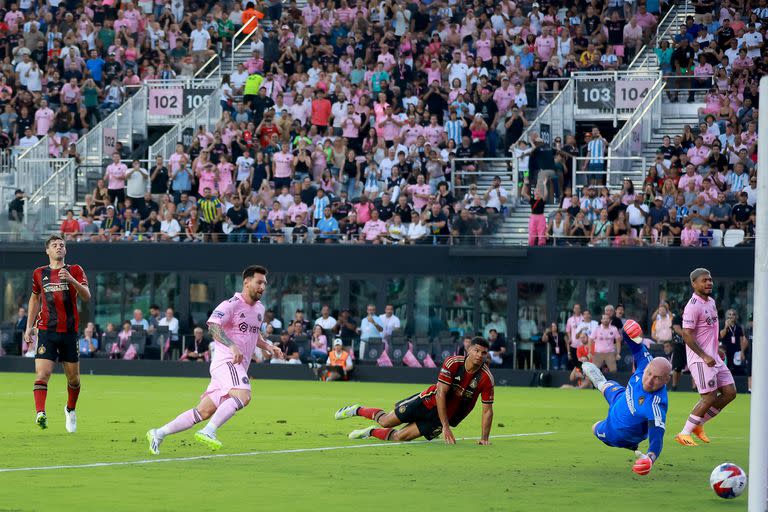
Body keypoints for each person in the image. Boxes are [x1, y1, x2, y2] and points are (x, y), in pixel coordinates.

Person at [146, 266, 284, 454]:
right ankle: (209, 431)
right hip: (226, 362)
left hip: (235, 366)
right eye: (259, 282)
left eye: (265, 284)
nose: (263, 287)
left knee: (203, 411)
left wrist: (268, 346)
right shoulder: (231, 304)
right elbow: (213, 326)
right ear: (246, 282)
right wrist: (232, 345)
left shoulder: (259, 308)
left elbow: (253, 334)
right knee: (244, 395)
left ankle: (158, 433)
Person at [335, 337, 494, 444]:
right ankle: (357, 409)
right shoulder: (453, 363)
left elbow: (487, 410)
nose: (479, 355)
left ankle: (369, 432)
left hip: (440, 418)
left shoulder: (486, 378)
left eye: (484, 353)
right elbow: (441, 394)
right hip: (427, 402)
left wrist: (484, 439)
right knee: (386, 421)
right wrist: (445, 427)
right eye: (477, 351)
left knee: (399, 437)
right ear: (469, 350)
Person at [582, 322, 671, 475]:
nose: (649, 380)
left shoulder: (655, 406)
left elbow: (657, 438)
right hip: (622, 397)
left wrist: (650, 458)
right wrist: (628, 328)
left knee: (594, 427)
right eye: (648, 374)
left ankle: (632, 446)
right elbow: (630, 340)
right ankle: (600, 383)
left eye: (656, 378)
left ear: (665, 381)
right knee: (608, 387)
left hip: (619, 432)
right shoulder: (646, 361)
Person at [24, 235, 91, 432]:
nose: (59, 248)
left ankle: (70, 410)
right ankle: (40, 414)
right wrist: (29, 326)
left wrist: (71, 280)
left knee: (74, 380)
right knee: (43, 374)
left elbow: (87, 296)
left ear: (66, 250)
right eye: (55, 245)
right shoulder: (39, 273)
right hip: (47, 331)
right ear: (48, 251)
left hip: (69, 332)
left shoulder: (75, 270)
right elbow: (35, 299)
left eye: (62, 245)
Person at [674, 268, 737, 446]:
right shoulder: (692, 306)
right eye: (704, 280)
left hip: (714, 357)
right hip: (701, 359)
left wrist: (715, 350)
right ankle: (684, 432)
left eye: (710, 280)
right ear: (694, 283)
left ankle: (698, 424)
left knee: (730, 393)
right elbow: (686, 334)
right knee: (708, 397)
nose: (709, 283)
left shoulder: (711, 302)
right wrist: (704, 355)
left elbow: (709, 331)